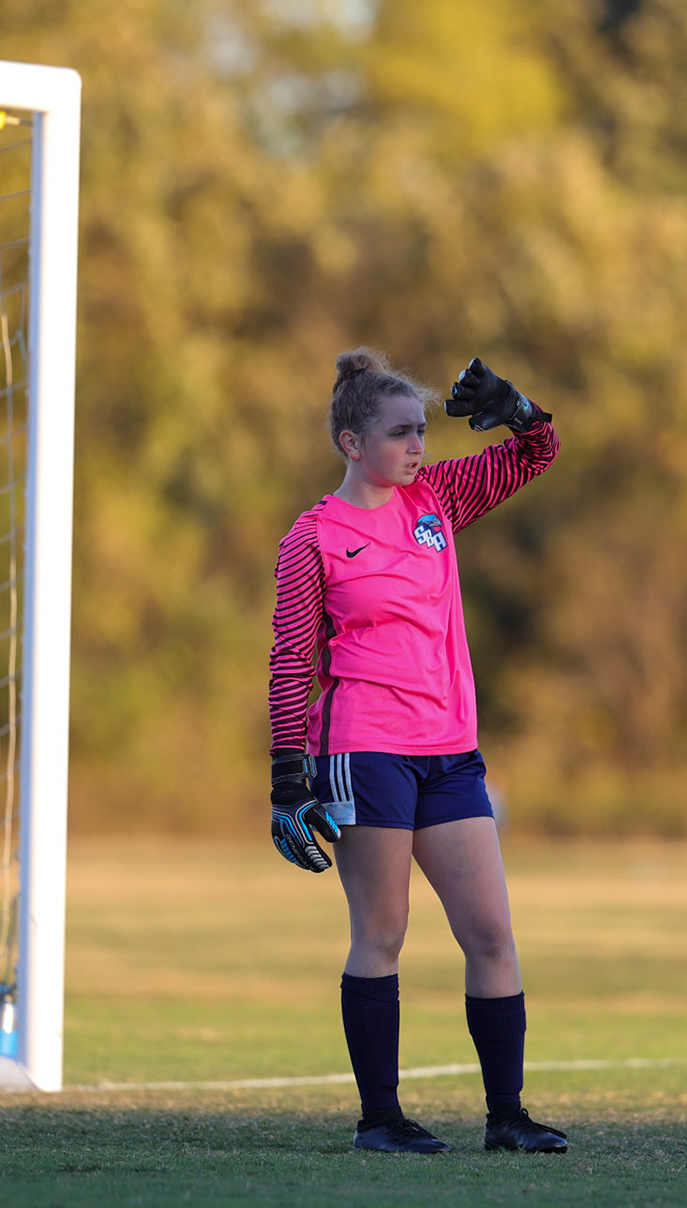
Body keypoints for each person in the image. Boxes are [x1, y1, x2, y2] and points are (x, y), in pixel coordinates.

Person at [268, 348, 566, 1155]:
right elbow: (293, 660)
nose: (418, 447)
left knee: (492, 935)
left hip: (450, 753)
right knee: (384, 934)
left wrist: (518, 406)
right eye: (399, 433)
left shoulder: (435, 500)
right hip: (364, 752)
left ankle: (506, 1118)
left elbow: (540, 452)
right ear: (350, 442)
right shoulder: (314, 536)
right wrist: (286, 780)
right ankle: (381, 1121)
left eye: (422, 433)